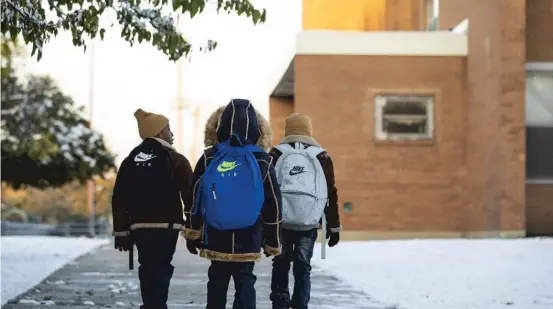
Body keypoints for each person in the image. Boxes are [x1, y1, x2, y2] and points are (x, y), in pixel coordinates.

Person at [183, 99, 282, 309]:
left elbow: (195, 194)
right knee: (246, 280)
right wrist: (272, 239)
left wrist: (193, 231)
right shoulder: (263, 159)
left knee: (217, 279)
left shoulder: (210, 157)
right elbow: (273, 200)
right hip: (250, 234)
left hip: (216, 233)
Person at [111, 108, 193, 309]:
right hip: (167, 227)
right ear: (158, 133)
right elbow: (190, 195)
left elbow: (119, 198)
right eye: (168, 129)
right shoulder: (176, 159)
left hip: (140, 227)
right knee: (162, 267)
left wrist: (121, 231)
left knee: (147, 267)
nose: (172, 134)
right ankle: (157, 305)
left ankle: (150, 304)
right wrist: (193, 227)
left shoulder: (130, 160)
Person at [269, 113, 341, 309]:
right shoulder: (322, 156)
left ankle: (280, 302)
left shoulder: (275, 153)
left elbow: (267, 189)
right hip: (309, 220)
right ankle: (301, 304)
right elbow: (330, 193)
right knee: (303, 265)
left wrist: (265, 223)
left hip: (281, 221)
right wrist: (334, 226)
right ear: (309, 130)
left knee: (280, 262)